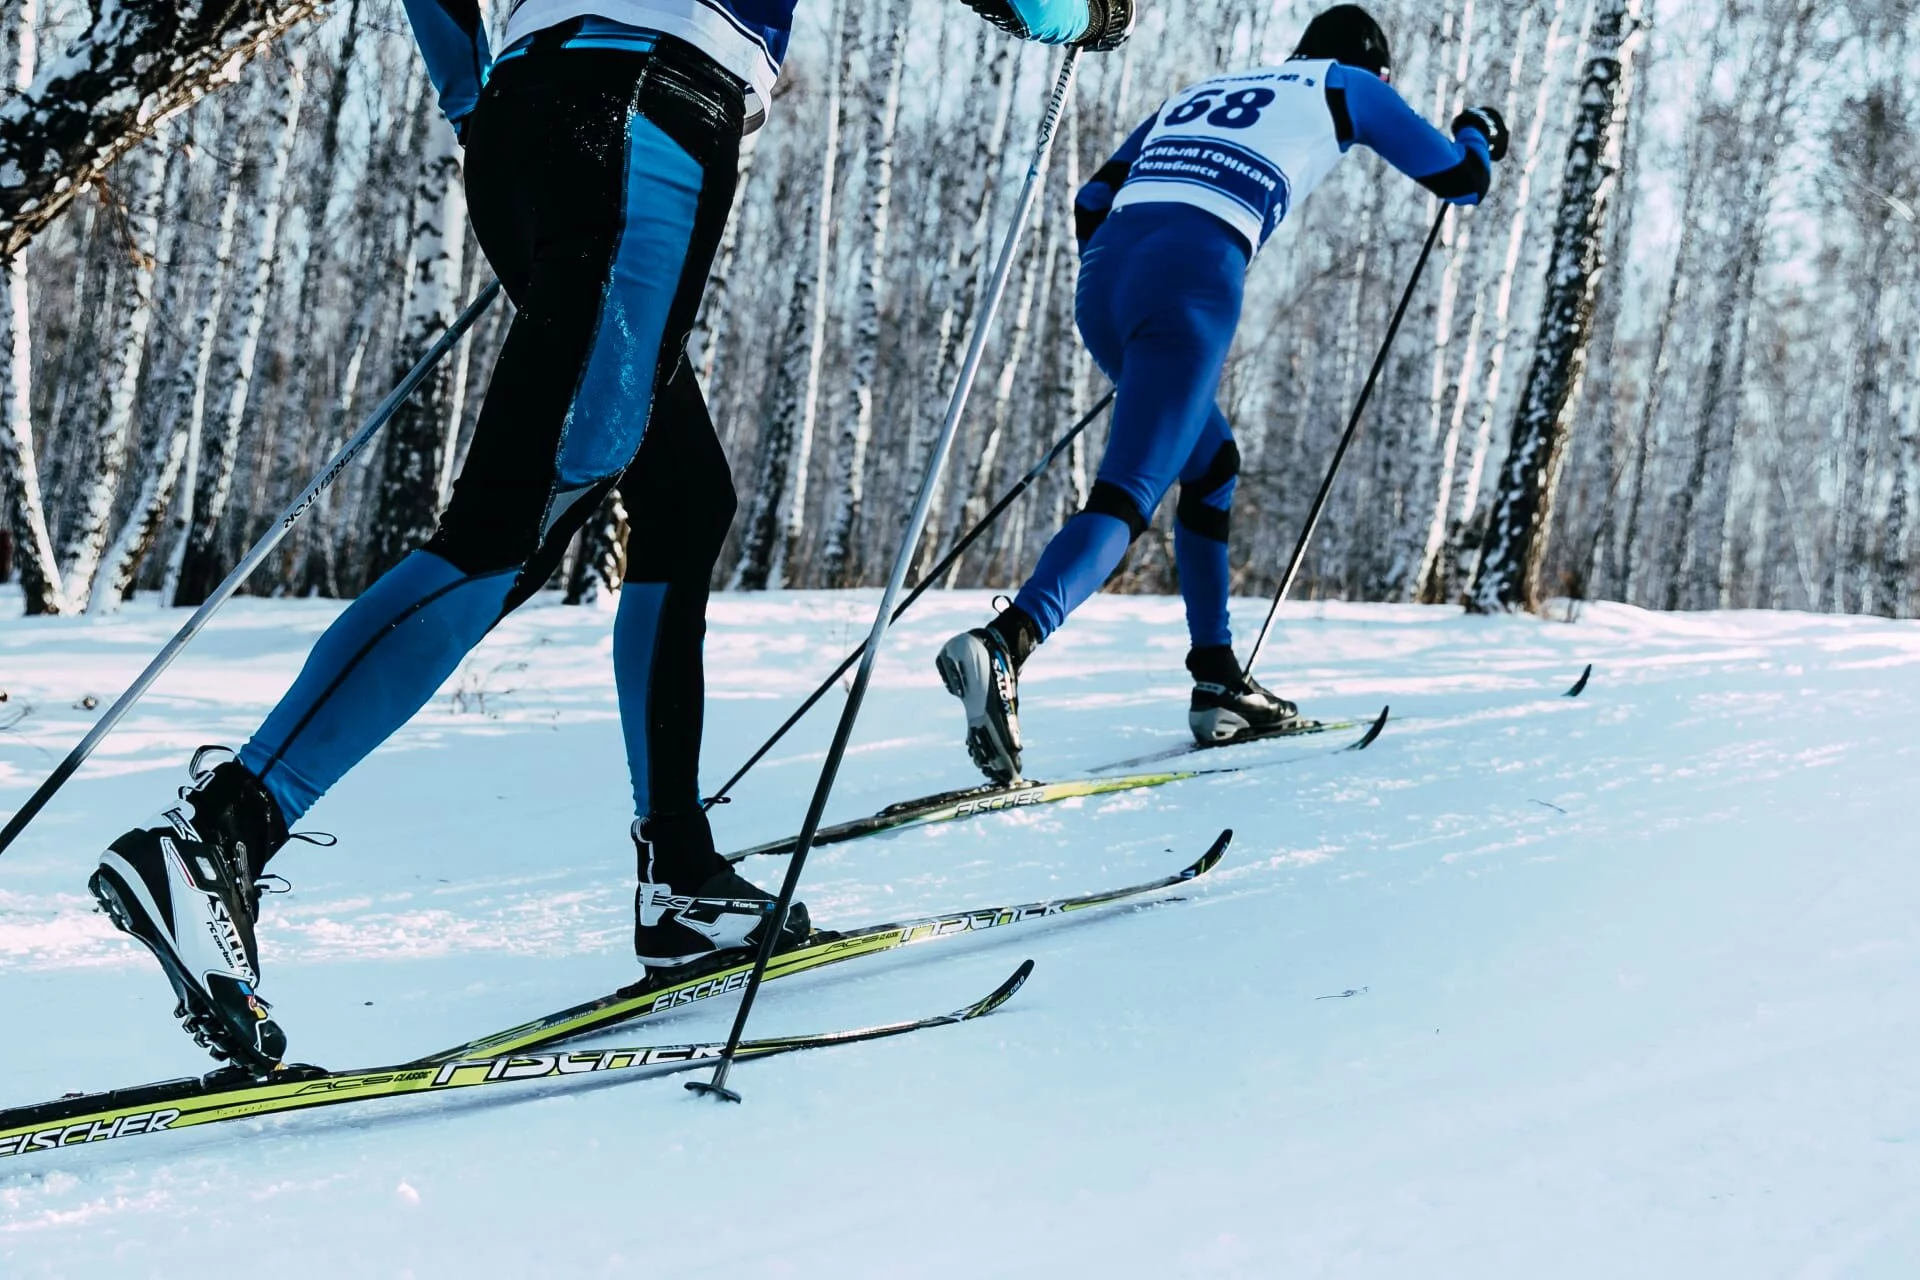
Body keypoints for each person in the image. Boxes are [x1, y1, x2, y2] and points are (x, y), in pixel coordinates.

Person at [87, 0, 1133, 1074]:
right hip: (646, 120)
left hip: (539, 116)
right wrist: (1078, 12)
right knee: (517, 516)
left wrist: (479, 99)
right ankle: (226, 828)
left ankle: (680, 877)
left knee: (684, 494)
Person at [937, 4, 1508, 785]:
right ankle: (1007, 641)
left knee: (1211, 464)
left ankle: (1218, 679)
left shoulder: (1206, 88)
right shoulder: (1349, 85)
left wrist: (1133, 308)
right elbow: (1461, 181)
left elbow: (1091, 199)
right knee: (1127, 495)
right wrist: (1476, 131)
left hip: (1106, 279)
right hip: (1192, 276)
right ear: (1375, 70)